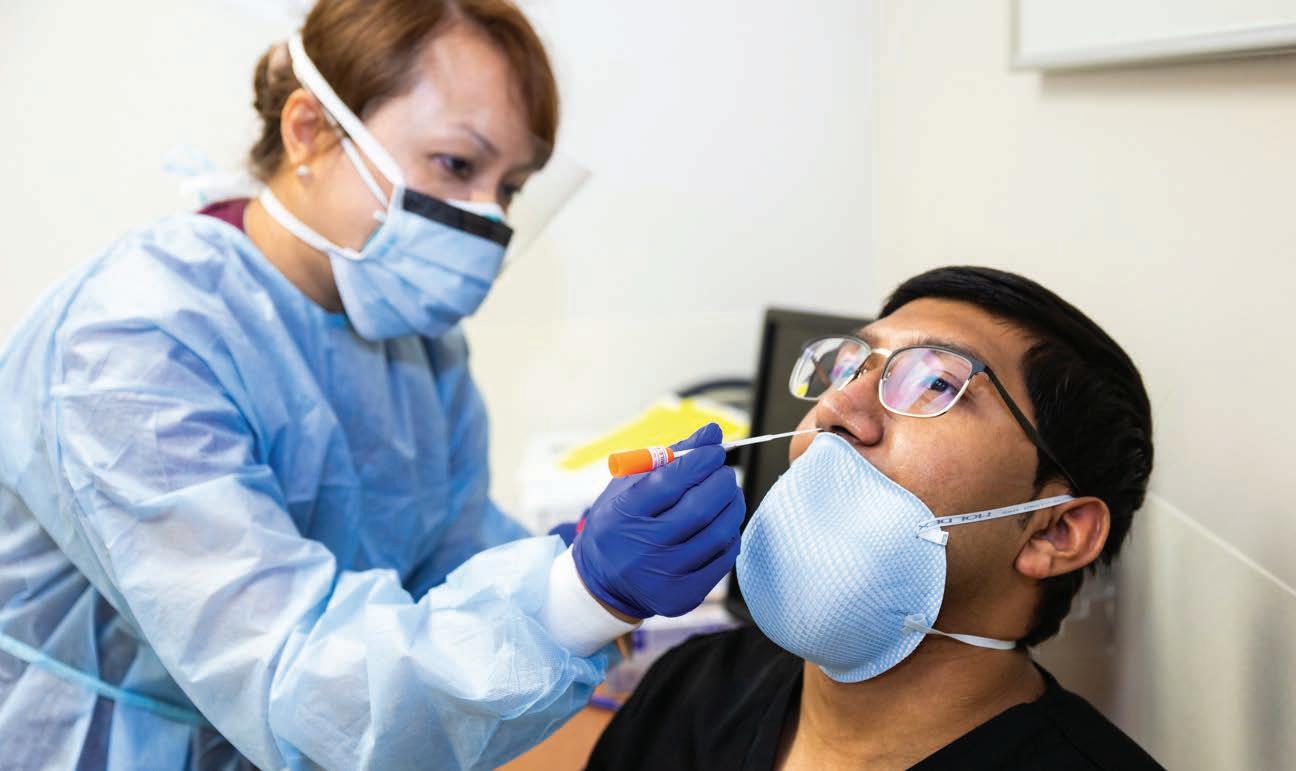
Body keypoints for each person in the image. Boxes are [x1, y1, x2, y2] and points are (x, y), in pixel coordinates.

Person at [0, 1, 744, 769]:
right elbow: (292, 679)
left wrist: (562, 559)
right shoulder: (138, 339)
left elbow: (445, 557)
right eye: (457, 165)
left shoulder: (416, 340)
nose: (489, 219)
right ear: (309, 131)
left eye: (511, 187)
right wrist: (577, 595)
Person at [588, 266, 1163, 770]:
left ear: (1055, 532)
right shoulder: (694, 689)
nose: (835, 407)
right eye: (848, 370)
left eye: (935, 383)